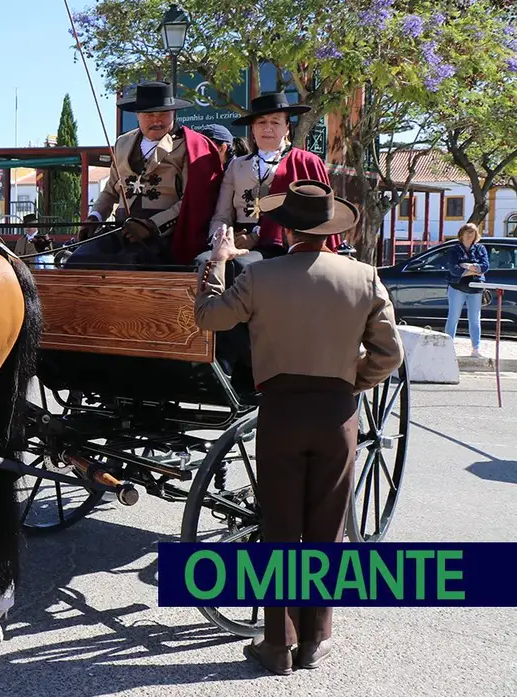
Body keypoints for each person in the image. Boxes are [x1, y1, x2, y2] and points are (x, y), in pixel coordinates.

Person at [194, 180, 405, 676]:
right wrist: (351, 382)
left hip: (281, 412)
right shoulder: (364, 277)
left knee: (280, 528)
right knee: (327, 529)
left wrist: (220, 260)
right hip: (336, 414)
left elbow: (210, 317)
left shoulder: (260, 277)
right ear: (330, 230)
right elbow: (390, 354)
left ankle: (277, 646)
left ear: (285, 228)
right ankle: (315, 641)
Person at [67, 81, 223, 267]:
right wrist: (95, 217)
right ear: (138, 115)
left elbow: (193, 201)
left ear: (173, 113)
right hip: (121, 229)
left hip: (165, 234)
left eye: (163, 114)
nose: (157, 121)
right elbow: (111, 190)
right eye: (149, 115)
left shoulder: (191, 146)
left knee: (130, 264)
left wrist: (151, 226)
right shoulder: (123, 143)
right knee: (78, 261)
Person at [202, 92, 340, 272]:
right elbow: (222, 215)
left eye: (275, 122)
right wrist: (222, 240)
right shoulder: (236, 166)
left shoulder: (305, 162)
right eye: (261, 122)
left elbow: (313, 217)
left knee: (240, 266)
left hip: (280, 244)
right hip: (234, 240)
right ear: (252, 128)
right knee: (202, 262)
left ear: (287, 128)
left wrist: (255, 236)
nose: (268, 128)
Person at [445, 222, 489, 357]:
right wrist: (475, 270)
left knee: (475, 319)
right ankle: (448, 348)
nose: (470, 235)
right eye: (468, 232)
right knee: (453, 317)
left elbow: (485, 266)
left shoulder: (480, 248)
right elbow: (454, 270)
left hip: (476, 288)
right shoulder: (454, 250)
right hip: (457, 287)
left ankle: (476, 349)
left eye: (473, 232)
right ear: (461, 234)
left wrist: (468, 266)